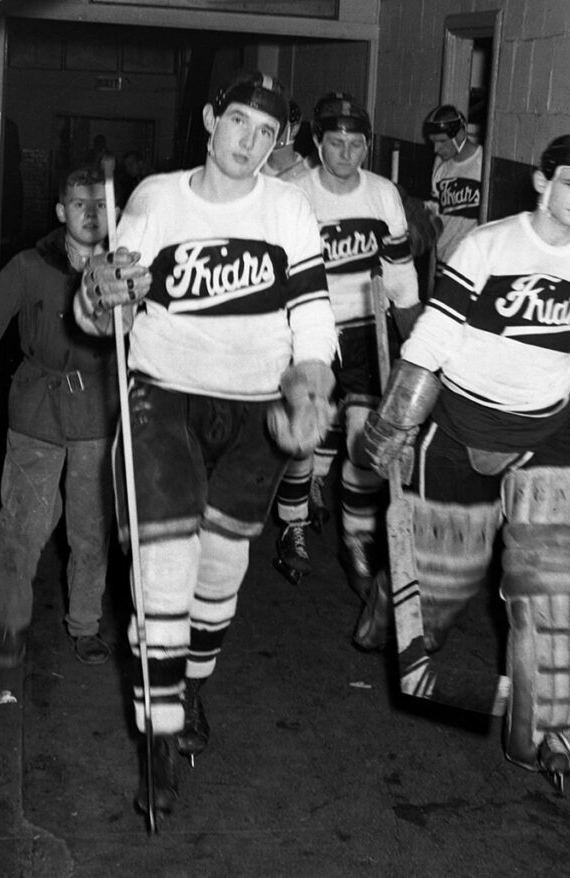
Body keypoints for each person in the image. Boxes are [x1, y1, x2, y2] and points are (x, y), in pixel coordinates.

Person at [73, 70, 336, 819]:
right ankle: (157, 744)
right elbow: (100, 315)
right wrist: (99, 291)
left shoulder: (289, 207)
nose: (249, 143)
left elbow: (313, 319)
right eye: (238, 124)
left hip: (255, 410)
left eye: (265, 133)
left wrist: (310, 388)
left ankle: (192, 689)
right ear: (210, 118)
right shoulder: (155, 197)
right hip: (164, 397)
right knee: (163, 571)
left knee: (219, 572)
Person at [355, 134, 570, 655]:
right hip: (458, 425)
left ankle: (547, 716)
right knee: (444, 580)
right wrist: (397, 418)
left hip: (543, 431)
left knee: (558, 578)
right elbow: (435, 333)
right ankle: (394, 597)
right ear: (543, 182)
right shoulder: (488, 245)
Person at [0, 166, 120, 669]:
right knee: (21, 523)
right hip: (36, 408)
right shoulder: (28, 266)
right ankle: (13, 619)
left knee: (90, 529)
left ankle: (85, 624)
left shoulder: (125, 269)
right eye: (80, 205)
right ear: (62, 211)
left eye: (101, 205)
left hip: (97, 415)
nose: (91, 215)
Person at [269, 92, 421, 597]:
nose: (347, 154)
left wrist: (416, 348)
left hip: (364, 333)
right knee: (307, 436)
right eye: (336, 143)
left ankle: (356, 539)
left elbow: (400, 278)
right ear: (317, 141)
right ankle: (292, 526)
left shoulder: (382, 195)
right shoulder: (292, 191)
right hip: (308, 333)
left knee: (362, 438)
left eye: (357, 144)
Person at [423, 104, 483, 267]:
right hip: (443, 260)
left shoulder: (483, 163)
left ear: (460, 134)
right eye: (433, 142)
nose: (436, 148)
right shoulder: (440, 164)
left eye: (442, 141)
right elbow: (435, 211)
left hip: (471, 264)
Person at [262, 99, 306, 180]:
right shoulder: (252, 170)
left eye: (277, 124)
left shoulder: (306, 177)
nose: (269, 128)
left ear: (294, 129)